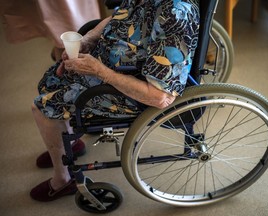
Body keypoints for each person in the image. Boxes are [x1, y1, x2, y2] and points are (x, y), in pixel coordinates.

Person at [30, 0, 200, 202]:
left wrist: (100, 72)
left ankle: (63, 179)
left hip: (129, 93)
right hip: (108, 68)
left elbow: (160, 97)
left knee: (41, 107)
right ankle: (68, 140)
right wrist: (89, 39)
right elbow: (118, 16)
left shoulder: (176, 15)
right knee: (50, 80)